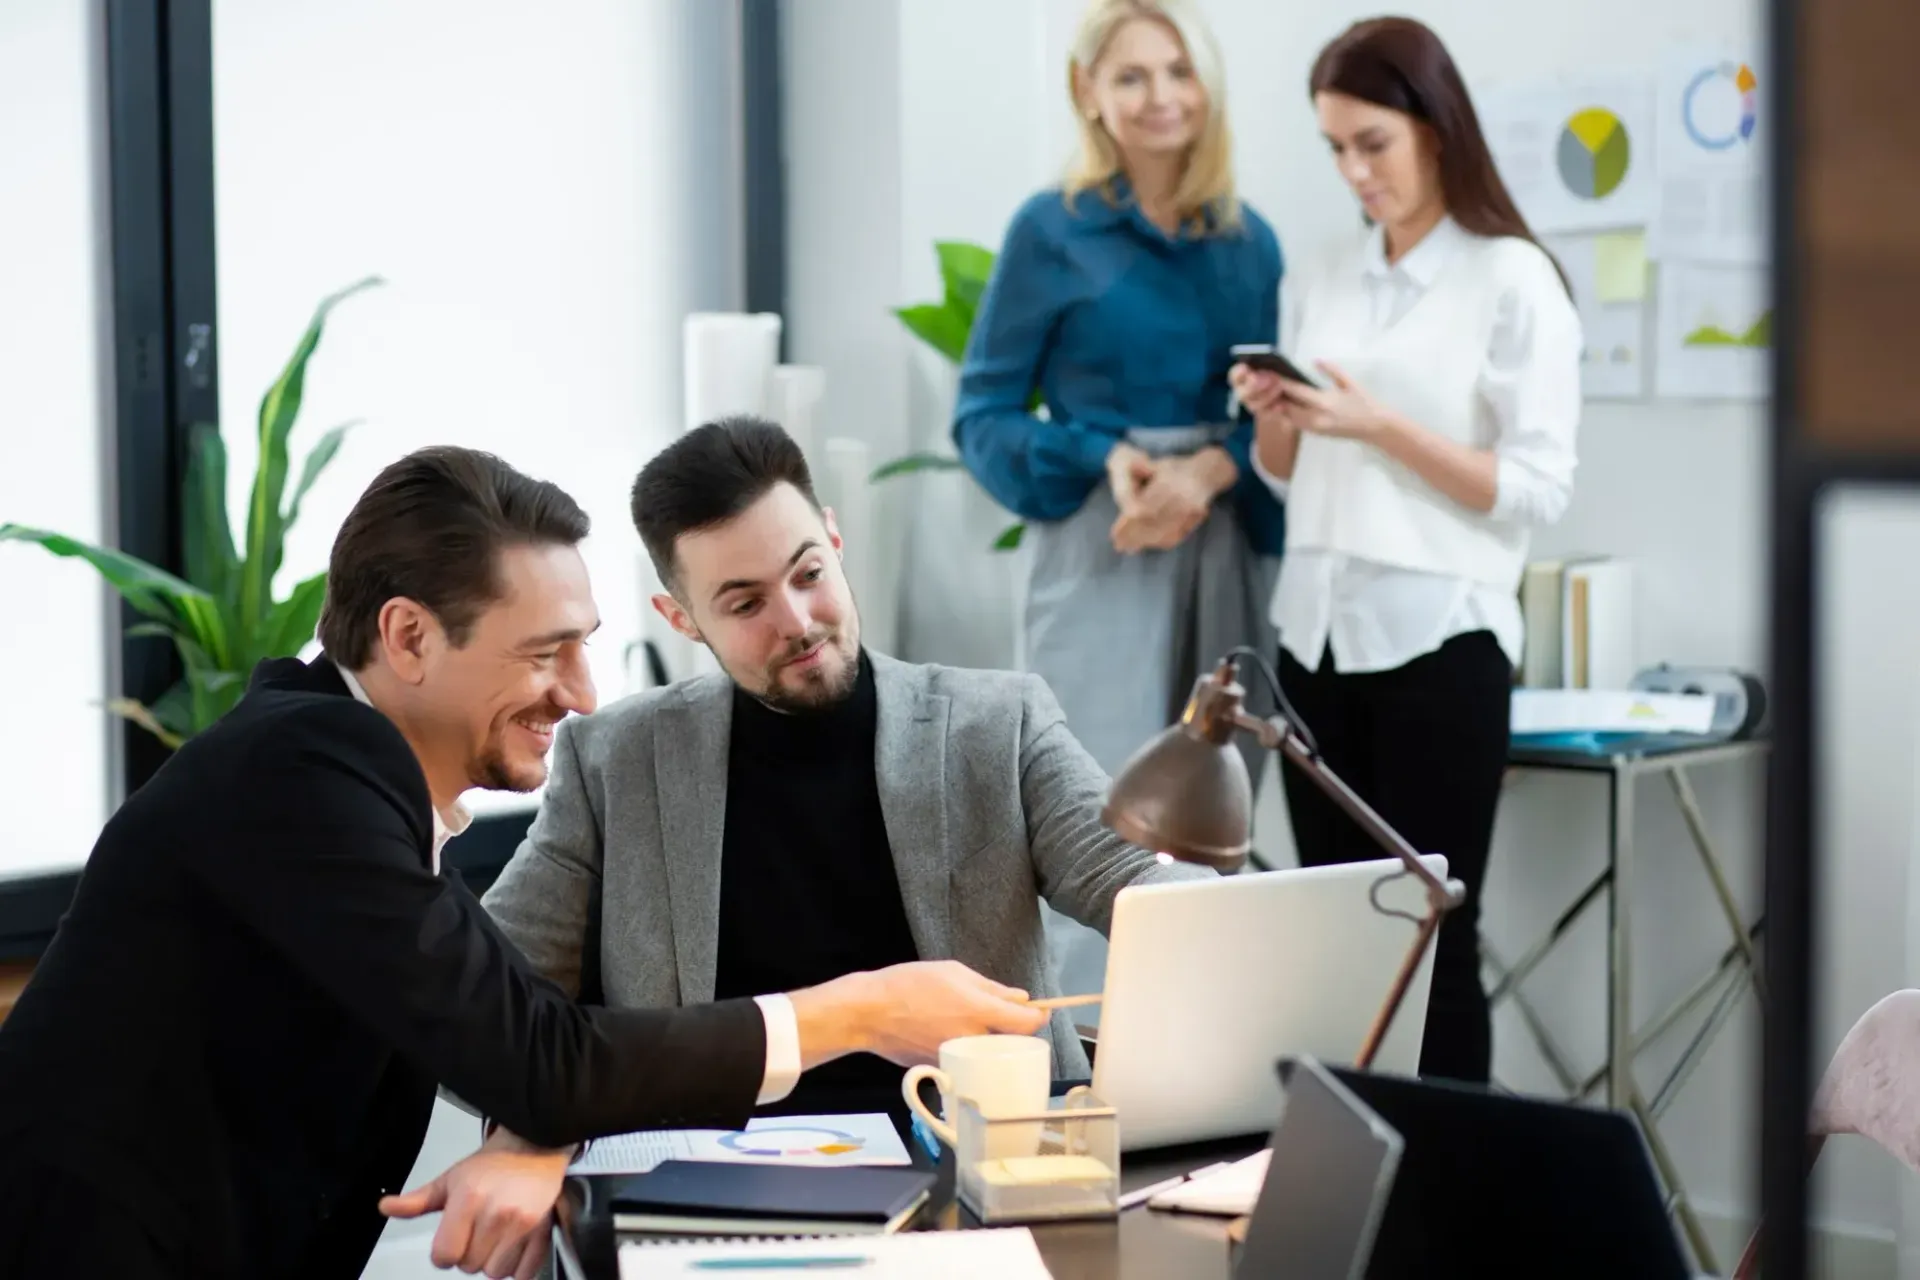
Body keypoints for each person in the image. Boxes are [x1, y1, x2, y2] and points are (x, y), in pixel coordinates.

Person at [0, 447, 1050, 1280]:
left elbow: (506, 1021)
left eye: (586, 644)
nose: (585, 692)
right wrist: (861, 1009)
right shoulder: (303, 774)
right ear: (407, 636)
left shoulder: (332, 772)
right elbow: (537, 1052)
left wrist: (533, 1129)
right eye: (547, 651)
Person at [481, 416, 1212, 1119]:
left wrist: (1234, 940)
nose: (797, 621)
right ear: (683, 619)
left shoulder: (998, 726)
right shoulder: (614, 764)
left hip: (976, 1161)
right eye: (745, 603)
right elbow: (479, 1009)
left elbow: (1148, 887)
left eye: (807, 572)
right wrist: (536, 1123)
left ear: (834, 538)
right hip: (713, 1178)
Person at [1230, 17, 1582, 1085]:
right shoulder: (1324, 269)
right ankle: (1354, 1208)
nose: (1353, 170)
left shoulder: (1511, 277)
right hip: (1316, 639)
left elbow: (1537, 487)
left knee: (1431, 939)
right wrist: (1275, 414)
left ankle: (1454, 1197)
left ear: (1436, 127)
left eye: (1371, 142)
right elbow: (1286, 474)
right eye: (1336, 147)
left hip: (1439, 643)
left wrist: (1377, 424)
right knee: (1340, 953)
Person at [952, 0, 1285, 1002]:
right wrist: (1109, 458)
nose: (1159, 97)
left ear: (1209, 84)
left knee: (1218, 825)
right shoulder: (1048, 230)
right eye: (1131, 75)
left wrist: (1211, 470)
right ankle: (1076, 1081)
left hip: (1225, 544)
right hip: (1104, 543)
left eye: (1178, 71)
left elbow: (1278, 413)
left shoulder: (1251, 243)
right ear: (1088, 92)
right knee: (1092, 813)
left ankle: (1209, 1071)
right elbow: (983, 415)